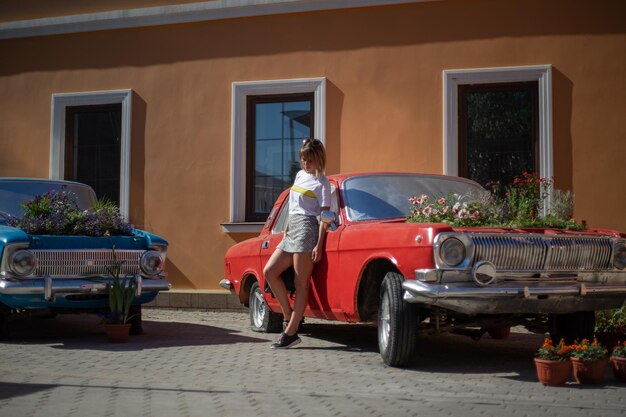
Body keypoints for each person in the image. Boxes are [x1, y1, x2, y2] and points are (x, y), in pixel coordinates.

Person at [263, 138, 331, 349]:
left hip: (307, 229)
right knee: (269, 271)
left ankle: (291, 332)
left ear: (318, 159)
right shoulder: (300, 175)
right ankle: (288, 315)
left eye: (309, 160)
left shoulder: (323, 183)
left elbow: (325, 216)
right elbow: (293, 206)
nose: (305, 163)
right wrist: (286, 228)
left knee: (301, 282)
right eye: (303, 159)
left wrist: (318, 245)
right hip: (291, 229)